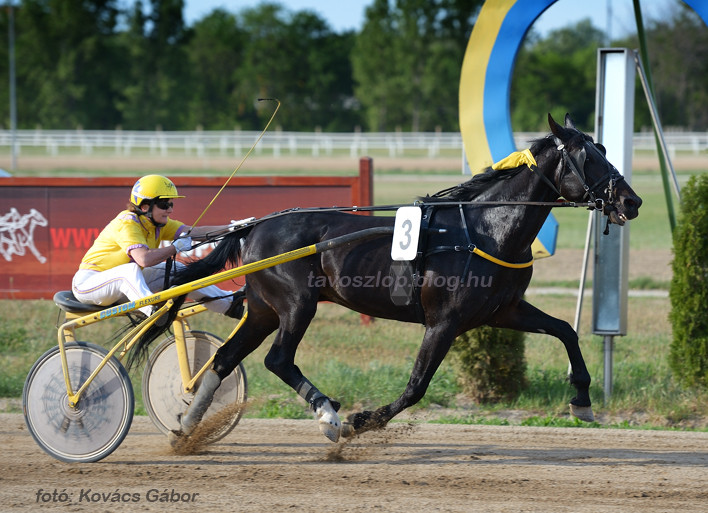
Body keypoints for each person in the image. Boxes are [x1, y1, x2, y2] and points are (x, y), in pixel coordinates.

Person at [72, 174, 245, 318]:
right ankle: (153, 313)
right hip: (88, 284)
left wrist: (231, 228)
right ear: (145, 206)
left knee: (179, 270)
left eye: (171, 204)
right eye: (164, 205)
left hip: (121, 287)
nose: (169, 210)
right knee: (129, 270)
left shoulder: (157, 223)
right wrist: (175, 248)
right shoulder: (126, 222)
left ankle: (229, 305)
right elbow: (144, 259)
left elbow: (194, 232)